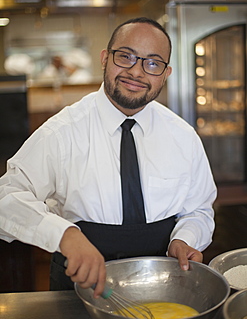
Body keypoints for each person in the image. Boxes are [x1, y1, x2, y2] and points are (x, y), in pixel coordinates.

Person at [0, 17, 216, 298]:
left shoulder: (183, 136)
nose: (137, 72)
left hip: (162, 285)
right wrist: (64, 235)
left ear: (165, 73)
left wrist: (184, 238)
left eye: (152, 63)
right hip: (80, 288)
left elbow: (199, 209)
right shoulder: (61, 132)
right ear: (105, 59)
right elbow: (6, 198)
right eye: (125, 57)